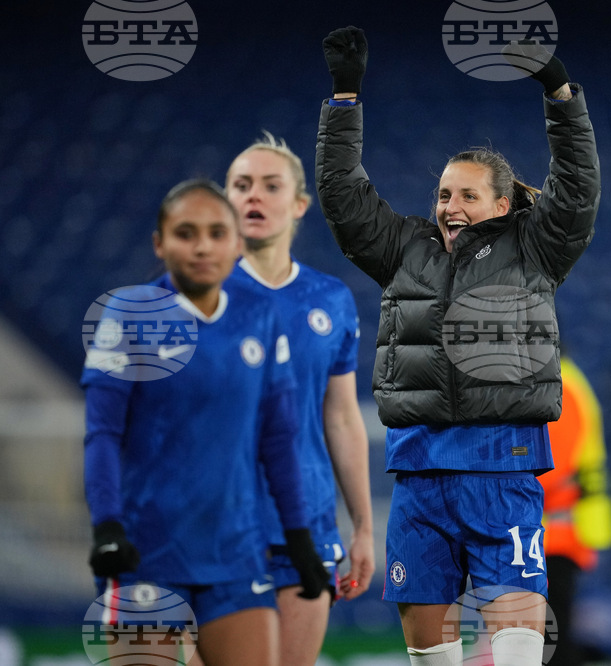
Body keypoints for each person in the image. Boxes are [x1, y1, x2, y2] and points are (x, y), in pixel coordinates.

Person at [315, 26, 600, 666]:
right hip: (419, 472)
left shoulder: (535, 248)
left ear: (502, 203)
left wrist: (557, 88)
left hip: (503, 467)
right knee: (431, 658)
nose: (450, 207)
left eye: (467, 195)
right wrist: (344, 98)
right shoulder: (404, 250)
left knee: (519, 653)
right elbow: (341, 197)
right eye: (444, 194)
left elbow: (578, 188)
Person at [81, 179, 330, 666]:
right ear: (160, 243)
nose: (202, 247)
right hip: (144, 555)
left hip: (236, 555)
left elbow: (278, 440)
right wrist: (107, 526)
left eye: (217, 233)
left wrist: (299, 536)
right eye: (185, 233)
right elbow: (102, 435)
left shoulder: (260, 315)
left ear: (237, 243)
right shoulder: (128, 316)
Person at [224, 133, 376, 666]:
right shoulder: (196, 296)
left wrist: (361, 526)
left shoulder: (329, 299)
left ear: (299, 206)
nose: (254, 197)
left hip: (307, 525)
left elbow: (340, 417)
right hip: (219, 524)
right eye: (241, 186)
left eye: (270, 186)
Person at [542, 355, 611, 666]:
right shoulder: (562, 382)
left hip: (558, 537)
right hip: (552, 536)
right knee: (548, 638)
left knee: (552, 642)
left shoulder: (562, 386)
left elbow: (554, 466)